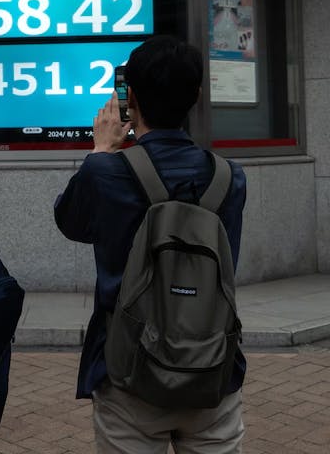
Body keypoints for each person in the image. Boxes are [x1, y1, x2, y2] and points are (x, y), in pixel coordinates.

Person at [55, 35, 248, 453]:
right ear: (196, 96)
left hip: (128, 371)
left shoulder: (106, 174)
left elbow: (69, 222)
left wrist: (101, 149)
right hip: (212, 365)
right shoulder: (230, 178)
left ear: (131, 100)